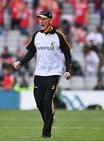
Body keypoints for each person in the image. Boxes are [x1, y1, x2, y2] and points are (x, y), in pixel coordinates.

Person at [12, 10, 72, 138]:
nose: (41, 21)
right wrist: (19, 62)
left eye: (44, 19)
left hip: (54, 72)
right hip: (39, 73)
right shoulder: (36, 35)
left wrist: (67, 70)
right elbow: (31, 52)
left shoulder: (59, 35)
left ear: (50, 20)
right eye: (40, 19)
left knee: (46, 100)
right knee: (39, 102)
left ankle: (46, 134)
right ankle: (50, 118)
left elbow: (67, 53)